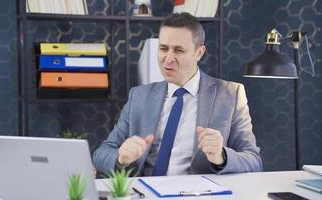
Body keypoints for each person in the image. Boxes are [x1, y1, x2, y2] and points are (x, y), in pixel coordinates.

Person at [93, 12, 263, 176]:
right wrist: (121, 158)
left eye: (179, 50)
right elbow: (101, 154)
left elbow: (254, 160)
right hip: (145, 191)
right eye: (163, 48)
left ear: (199, 53)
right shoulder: (139, 96)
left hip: (199, 194)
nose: (168, 58)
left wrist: (221, 156)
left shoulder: (230, 95)